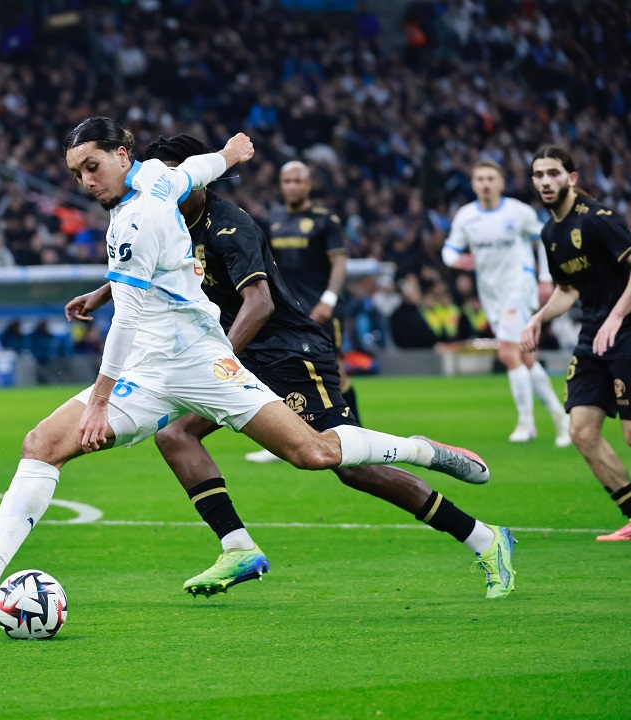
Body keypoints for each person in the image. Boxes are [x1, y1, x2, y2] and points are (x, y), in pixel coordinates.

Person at [0, 118, 491, 602]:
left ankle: (420, 449)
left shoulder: (137, 217)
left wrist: (100, 401)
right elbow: (196, 171)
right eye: (75, 174)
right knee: (43, 443)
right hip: (153, 372)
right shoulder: (158, 183)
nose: (86, 182)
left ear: (121, 154)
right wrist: (228, 153)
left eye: (92, 167)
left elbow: (130, 324)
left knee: (315, 453)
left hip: (201, 361)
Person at [91, 134, 515, 599]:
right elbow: (139, 270)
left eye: (174, 176)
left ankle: (473, 523)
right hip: (236, 356)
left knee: (342, 466)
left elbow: (260, 304)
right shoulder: (166, 219)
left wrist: (219, 360)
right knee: (175, 435)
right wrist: (100, 293)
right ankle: (238, 547)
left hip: (289, 352)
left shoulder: (231, 226)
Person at [522, 144, 631, 542]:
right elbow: (567, 290)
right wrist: (538, 317)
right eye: (538, 175)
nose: (545, 181)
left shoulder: (600, 219)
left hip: (627, 330)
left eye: (553, 173)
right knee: (582, 431)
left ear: (572, 178)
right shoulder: (550, 233)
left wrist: (617, 317)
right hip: (593, 335)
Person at [443, 159, 569, 446]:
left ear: (500, 183)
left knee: (507, 353)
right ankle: (561, 417)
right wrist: (455, 260)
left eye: (490, 178)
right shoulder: (466, 216)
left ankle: (526, 423)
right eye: (480, 179)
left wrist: (545, 278)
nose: (485, 184)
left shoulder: (518, 212)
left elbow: (546, 240)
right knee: (525, 356)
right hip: (491, 292)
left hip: (519, 286)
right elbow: (449, 249)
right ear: (473, 184)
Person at [245, 161, 358, 464]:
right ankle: (290, 440)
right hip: (288, 313)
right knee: (283, 372)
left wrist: (329, 299)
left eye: (297, 180)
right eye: (286, 181)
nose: (292, 186)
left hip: (322, 309)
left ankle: (358, 435)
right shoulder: (273, 220)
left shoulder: (326, 221)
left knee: (337, 373)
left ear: (309, 185)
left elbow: (340, 263)